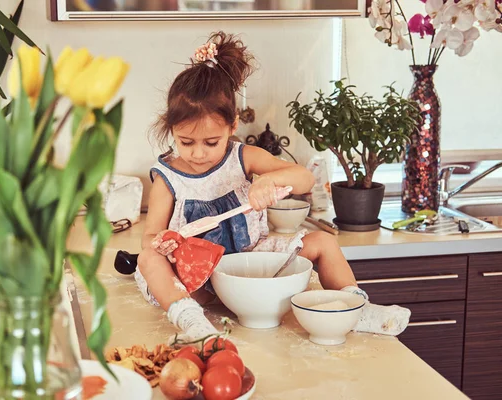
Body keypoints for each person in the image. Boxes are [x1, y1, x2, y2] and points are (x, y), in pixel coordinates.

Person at [135, 31, 410, 343]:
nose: (198, 153)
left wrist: (270, 180)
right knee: (148, 261)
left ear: (232, 126)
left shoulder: (244, 157)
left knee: (324, 242)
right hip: (196, 280)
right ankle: (193, 324)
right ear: (172, 129)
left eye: (211, 142)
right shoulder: (168, 176)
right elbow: (149, 239)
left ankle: (358, 309)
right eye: (186, 142)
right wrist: (164, 243)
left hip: (250, 265)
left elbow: (304, 179)